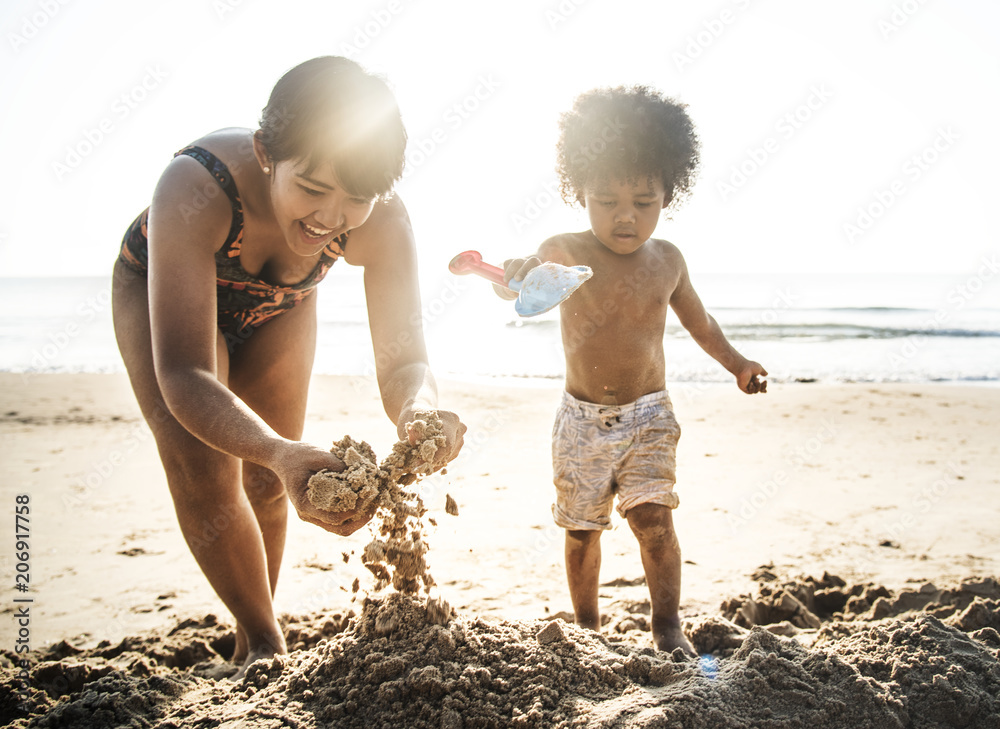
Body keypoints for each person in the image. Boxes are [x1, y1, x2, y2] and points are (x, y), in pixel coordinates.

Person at [112, 56, 466, 678]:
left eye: (355, 197)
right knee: (207, 468)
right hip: (162, 299)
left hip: (281, 303)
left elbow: (406, 358)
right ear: (266, 152)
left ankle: (253, 639)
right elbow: (186, 373)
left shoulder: (381, 221)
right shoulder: (196, 186)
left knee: (272, 481)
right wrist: (275, 448)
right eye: (311, 187)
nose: (330, 217)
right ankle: (264, 640)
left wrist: (420, 412)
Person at [495, 86, 766, 655]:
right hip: (580, 421)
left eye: (644, 201)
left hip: (648, 415)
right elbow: (526, 288)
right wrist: (517, 271)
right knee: (580, 529)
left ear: (669, 189)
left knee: (654, 521)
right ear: (579, 190)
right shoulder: (565, 248)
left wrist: (738, 365)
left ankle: (666, 625)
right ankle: (587, 626)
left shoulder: (667, 260)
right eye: (606, 200)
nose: (625, 216)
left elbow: (701, 324)